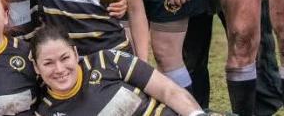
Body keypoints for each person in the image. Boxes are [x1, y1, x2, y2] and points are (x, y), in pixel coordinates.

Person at [31, 25, 214, 116]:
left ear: (75, 53)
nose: (60, 69)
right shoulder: (45, 111)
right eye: (48, 63)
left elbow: (168, 91)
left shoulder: (108, 60)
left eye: (65, 58)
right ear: (36, 68)